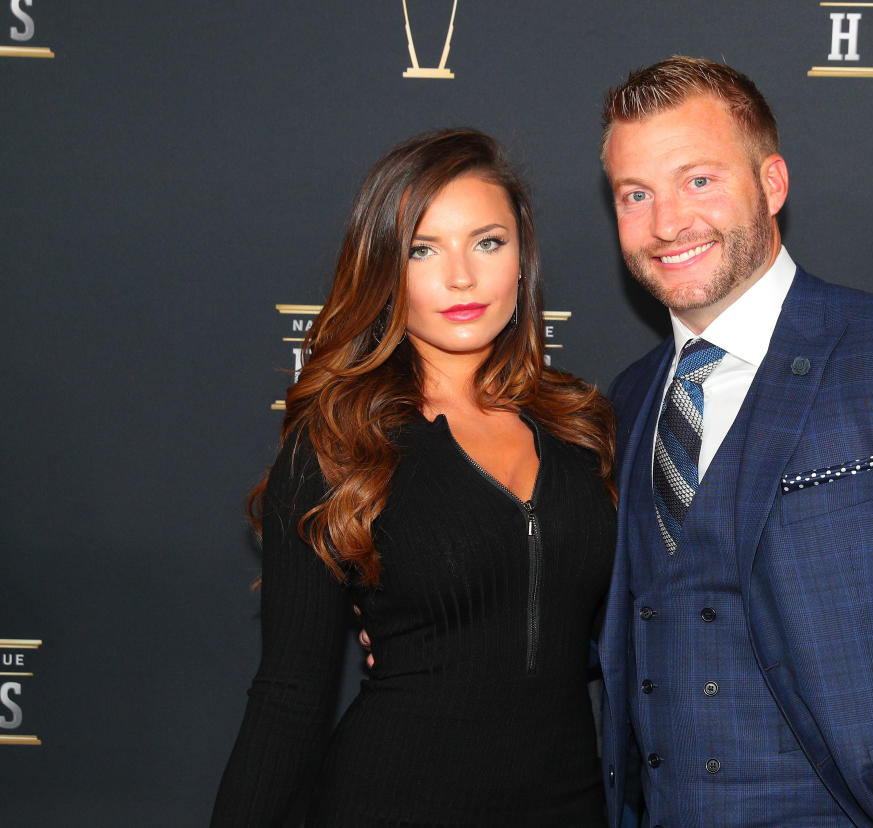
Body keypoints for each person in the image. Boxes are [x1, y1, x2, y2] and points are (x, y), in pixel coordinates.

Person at [595, 57, 873, 827]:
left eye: (698, 180)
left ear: (771, 184)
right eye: (636, 195)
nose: (667, 222)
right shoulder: (632, 396)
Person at [211, 129, 616, 827]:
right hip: (393, 801)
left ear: (522, 261)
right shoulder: (340, 445)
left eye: (488, 243)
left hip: (570, 804)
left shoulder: (582, 427)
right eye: (422, 250)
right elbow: (288, 698)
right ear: (383, 271)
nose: (461, 277)